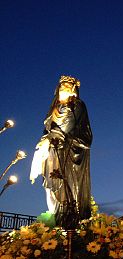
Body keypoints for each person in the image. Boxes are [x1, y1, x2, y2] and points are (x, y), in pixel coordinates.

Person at [30, 75, 93, 227]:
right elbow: (48, 129)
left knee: (65, 185)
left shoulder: (77, 106)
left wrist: (52, 137)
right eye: (61, 87)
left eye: (67, 87)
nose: (63, 89)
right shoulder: (54, 108)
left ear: (73, 90)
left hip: (68, 152)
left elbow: (69, 128)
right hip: (52, 150)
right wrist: (46, 140)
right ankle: (54, 213)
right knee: (51, 182)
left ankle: (67, 218)